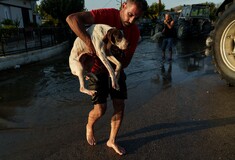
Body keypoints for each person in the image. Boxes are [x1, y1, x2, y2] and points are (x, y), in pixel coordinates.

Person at [66, 0, 148, 155]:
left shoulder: (134, 32)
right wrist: (90, 45)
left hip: (115, 70)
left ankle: (112, 140)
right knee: (100, 110)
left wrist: (116, 65)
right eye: (130, 14)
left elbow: (126, 63)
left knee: (120, 105)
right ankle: (89, 125)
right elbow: (72, 19)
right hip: (95, 70)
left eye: (136, 18)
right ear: (124, 5)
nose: (131, 21)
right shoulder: (106, 15)